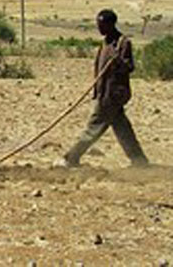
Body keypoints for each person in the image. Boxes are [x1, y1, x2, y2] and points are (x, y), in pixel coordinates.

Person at [55, 9, 149, 168]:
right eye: (98, 25)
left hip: (112, 96)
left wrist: (117, 61)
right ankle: (139, 160)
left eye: (102, 25)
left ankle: (71, 158)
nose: (99, 28)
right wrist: (96, 92)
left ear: (111, 24)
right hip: (103, 93)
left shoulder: (122, 43)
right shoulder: (104, 43)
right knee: (122, 129)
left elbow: (129, 67)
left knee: (93, 127)